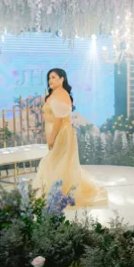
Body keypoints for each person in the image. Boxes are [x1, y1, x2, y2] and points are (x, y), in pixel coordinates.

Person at [31, 68, 107, 208]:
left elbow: (59, 120)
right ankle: (58, 193)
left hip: (61, 133)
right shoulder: (55, 93)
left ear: (62, 79)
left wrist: (52, 137)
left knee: (54, 162)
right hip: (58, 132)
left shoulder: (61, 94)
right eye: (49, 78)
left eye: (53, 77)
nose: (50, 80)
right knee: (59, 163)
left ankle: (60, 194)